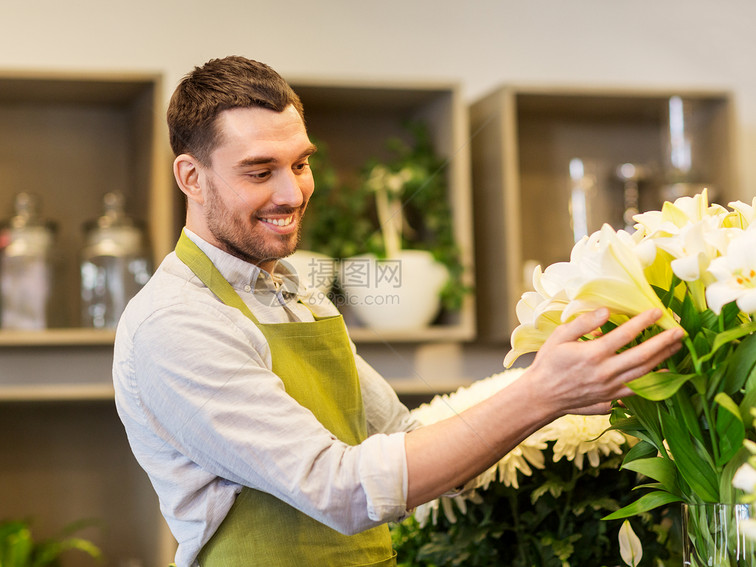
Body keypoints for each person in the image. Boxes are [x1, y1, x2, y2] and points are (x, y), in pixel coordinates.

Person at [112, 55, 684, 567]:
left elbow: (409, 439)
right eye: (260, 172)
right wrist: (540, 392)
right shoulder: (177, 321)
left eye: (301, 164)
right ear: (191, 176)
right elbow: (340, 490)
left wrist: (564, 384)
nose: (291, 194)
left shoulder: (301, 296)